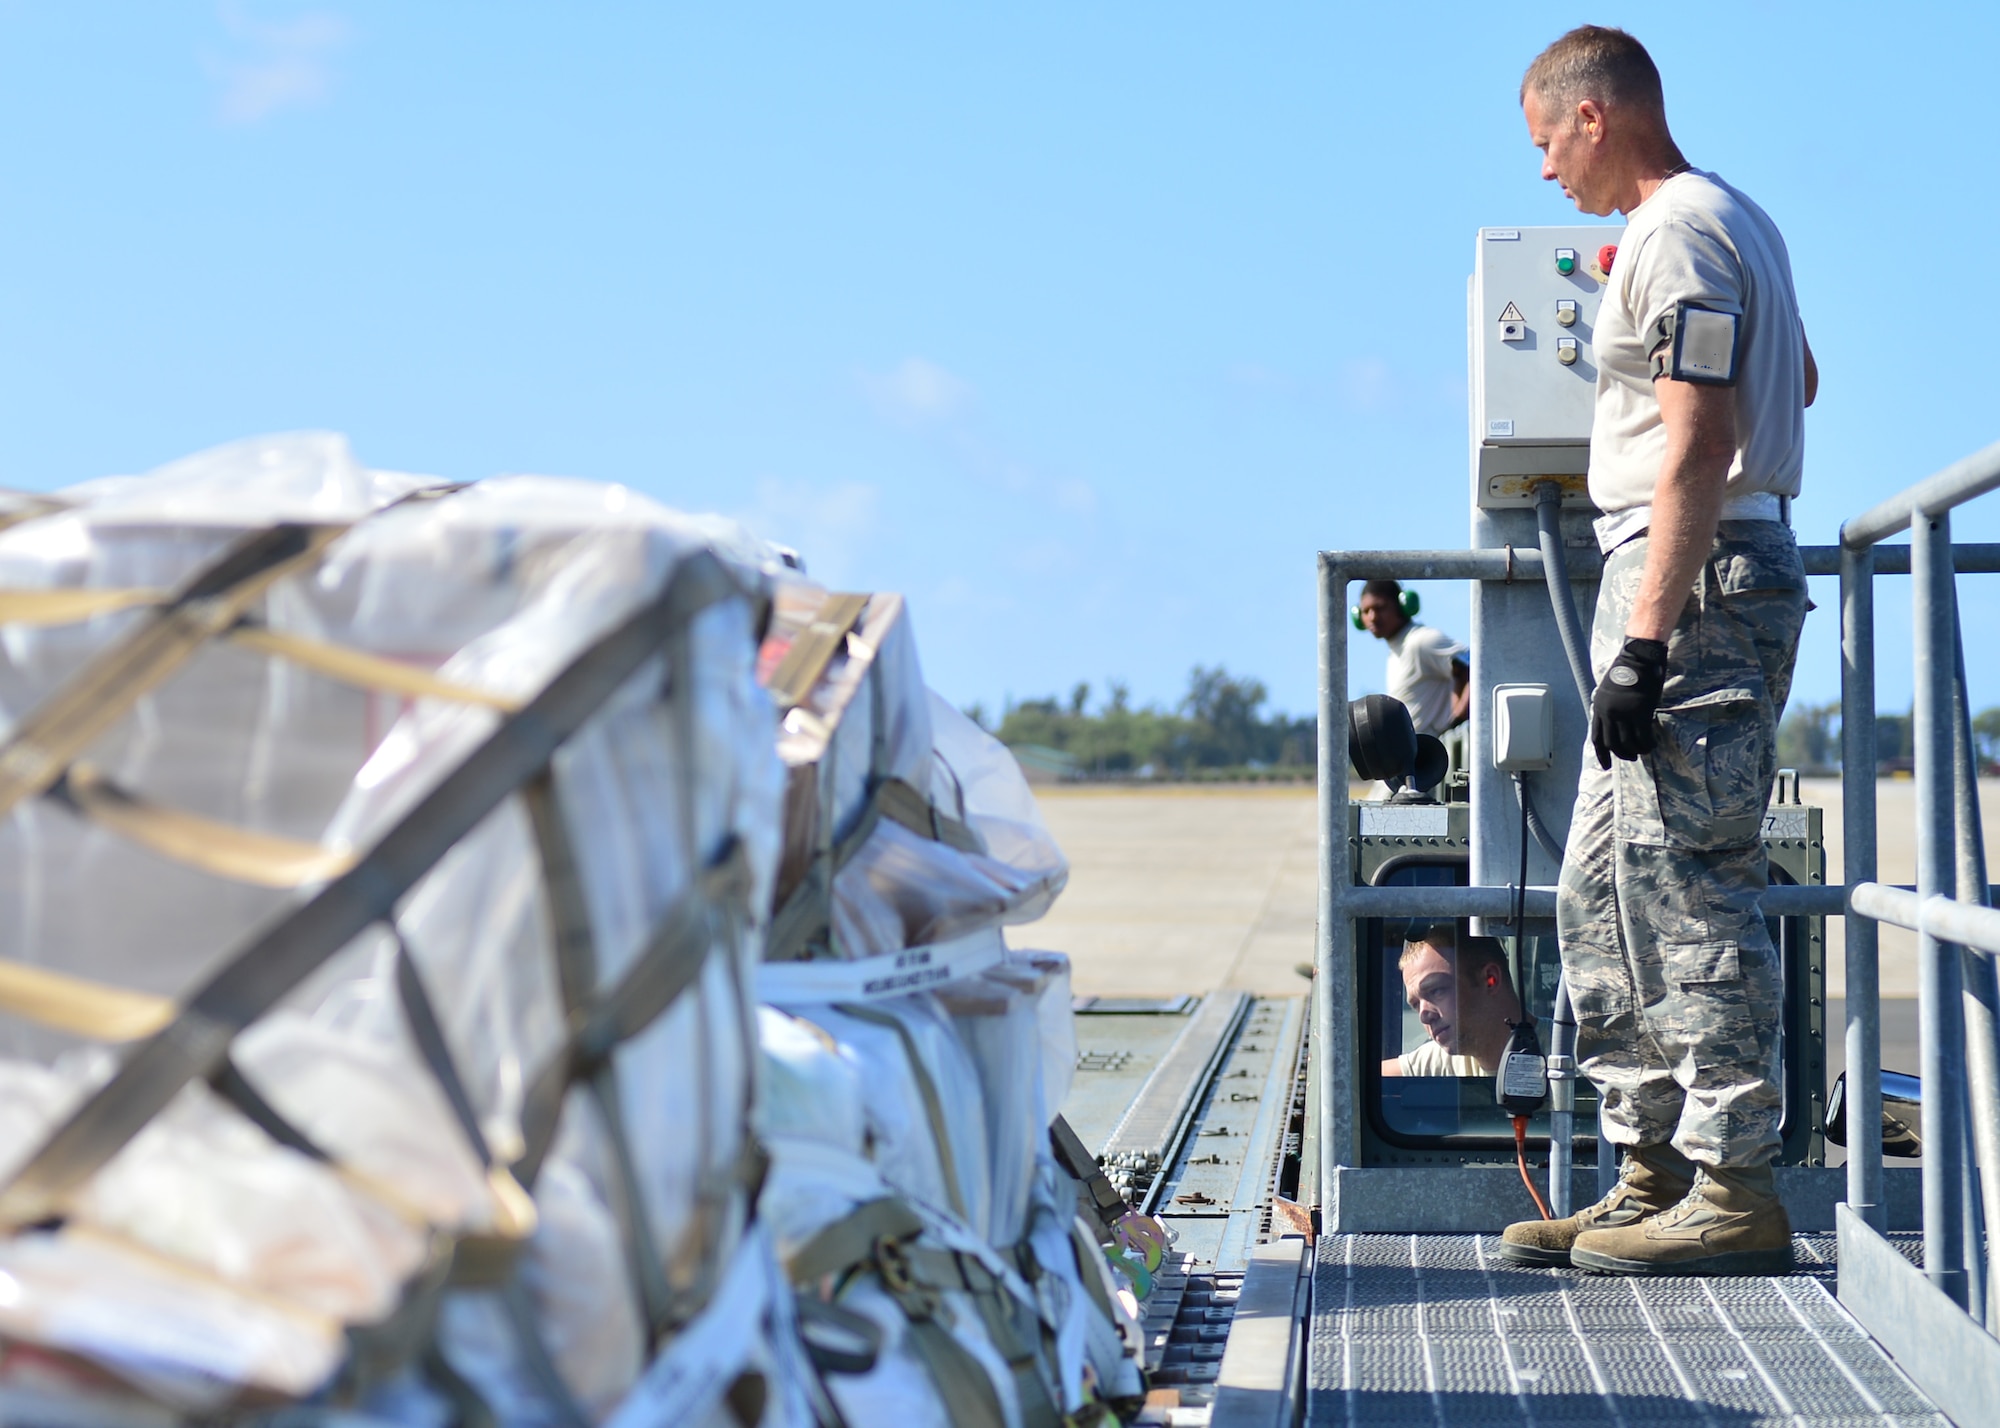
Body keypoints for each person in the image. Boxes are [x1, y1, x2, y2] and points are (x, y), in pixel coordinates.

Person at [1499, 26, 1815, 1277]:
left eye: (1543, 143)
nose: (1541, 175)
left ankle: (1733, 1182)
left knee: (1685, 881)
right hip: (1676, 566)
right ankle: (1651, 1169)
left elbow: (1696, 437)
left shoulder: (1678, 228)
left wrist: (1642, 641)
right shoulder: (1724, 223)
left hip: (1693, 578)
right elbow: (1800, 373)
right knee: (1599, 887)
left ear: (1594, 117)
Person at [1381, 926, 1525, 1077]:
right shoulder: (1440, 1061)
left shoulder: (1551, 1053)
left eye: (1436, 991)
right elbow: (1359, 1077)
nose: (1424, 1016)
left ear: (1490, 979)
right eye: (1416, 1004)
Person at [1357, 580, 1470, 738]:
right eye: (1366, 611)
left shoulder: (1420, 641)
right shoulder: (1398, 650)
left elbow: (1475, 667)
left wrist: (1457, 721)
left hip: (1438, 755)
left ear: (1402, 605)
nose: (1373, 617)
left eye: (1380, 608)